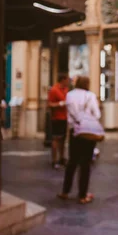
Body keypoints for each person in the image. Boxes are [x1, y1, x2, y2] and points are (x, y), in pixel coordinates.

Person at [58, 76, 101, 204]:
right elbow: (97, 114)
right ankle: (82, 195)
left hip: (75, 132)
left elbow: (69, 112)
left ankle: (65, 191)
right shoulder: (90, 96)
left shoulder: (69, 95)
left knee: (72, 161)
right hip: (88, 132)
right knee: (85, 164)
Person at [48, 73, 69, 169]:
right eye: (67, 79)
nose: (68, 81)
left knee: (63, 139)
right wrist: (60, 104)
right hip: (56, 118)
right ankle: (54, 160)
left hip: (64, 117)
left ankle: (62, 158)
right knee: (56, 139)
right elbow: (50, 104)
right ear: (62, 80)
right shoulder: (54, 90)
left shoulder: (66, 90)